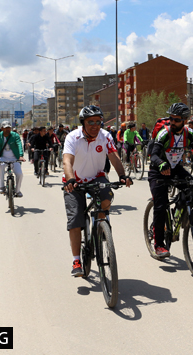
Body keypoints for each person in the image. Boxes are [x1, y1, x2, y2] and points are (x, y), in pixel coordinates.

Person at [63, 106, 132, 277]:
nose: (95, 125)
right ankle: (76, 260)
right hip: (75, 182)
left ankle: (102, 226)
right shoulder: (73, 137)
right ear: (83, 123)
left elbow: (114, 157)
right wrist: (70, 179)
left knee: (107, 194)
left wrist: (123, 175)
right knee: (75, 220)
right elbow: (67, 162)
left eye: (98, 121)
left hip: (96, 177)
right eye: (90, 122)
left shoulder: (105, 136)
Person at [148, 103, 193, 258]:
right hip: (158, 170)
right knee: (160, 206)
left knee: (192, 186)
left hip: (175, 168)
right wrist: (161, 163)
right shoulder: (164, 133)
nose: (172, 122)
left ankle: (178, 216)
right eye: (171, 118)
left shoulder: (190, 134)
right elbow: (153, 155)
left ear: (184, 120)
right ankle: (159, 244)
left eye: (176, 119)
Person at [0, 121, 26, 197]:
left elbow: (19, 145)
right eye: (6, 128)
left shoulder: (15, 135)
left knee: (20, 174)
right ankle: (1, 186)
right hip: (3, 158)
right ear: (2, 128)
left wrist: (21, 155)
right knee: (0, 167)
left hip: (14, 158)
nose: (8, 129)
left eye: (9, 127)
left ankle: (17, 191)